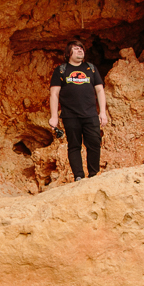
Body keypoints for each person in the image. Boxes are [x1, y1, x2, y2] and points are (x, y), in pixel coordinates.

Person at [49, 40, 109, 181]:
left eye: (81, 48)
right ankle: (79, 176)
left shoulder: (91, 68)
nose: (80, 50)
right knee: (74, 146)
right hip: (70, 115)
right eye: (76, 49)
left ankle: (94, 174)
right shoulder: (61, 70)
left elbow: (100, 90)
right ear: (68, 53)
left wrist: (103, 112)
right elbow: (54, 93)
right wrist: (53, 117)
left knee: (94, 143)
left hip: (90, 114)